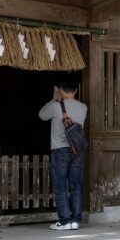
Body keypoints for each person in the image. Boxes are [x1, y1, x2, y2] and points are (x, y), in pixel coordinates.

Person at [39, 83, 88, 231]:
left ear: (60, 91)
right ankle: (75, 220)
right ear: (76, 90)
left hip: (60, 150)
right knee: (75, 186)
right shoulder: (83, 107)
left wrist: (54, 99)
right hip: (76, 151)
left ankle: (65, 220)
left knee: (60, 186)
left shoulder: (55, 107)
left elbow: (42, 115)